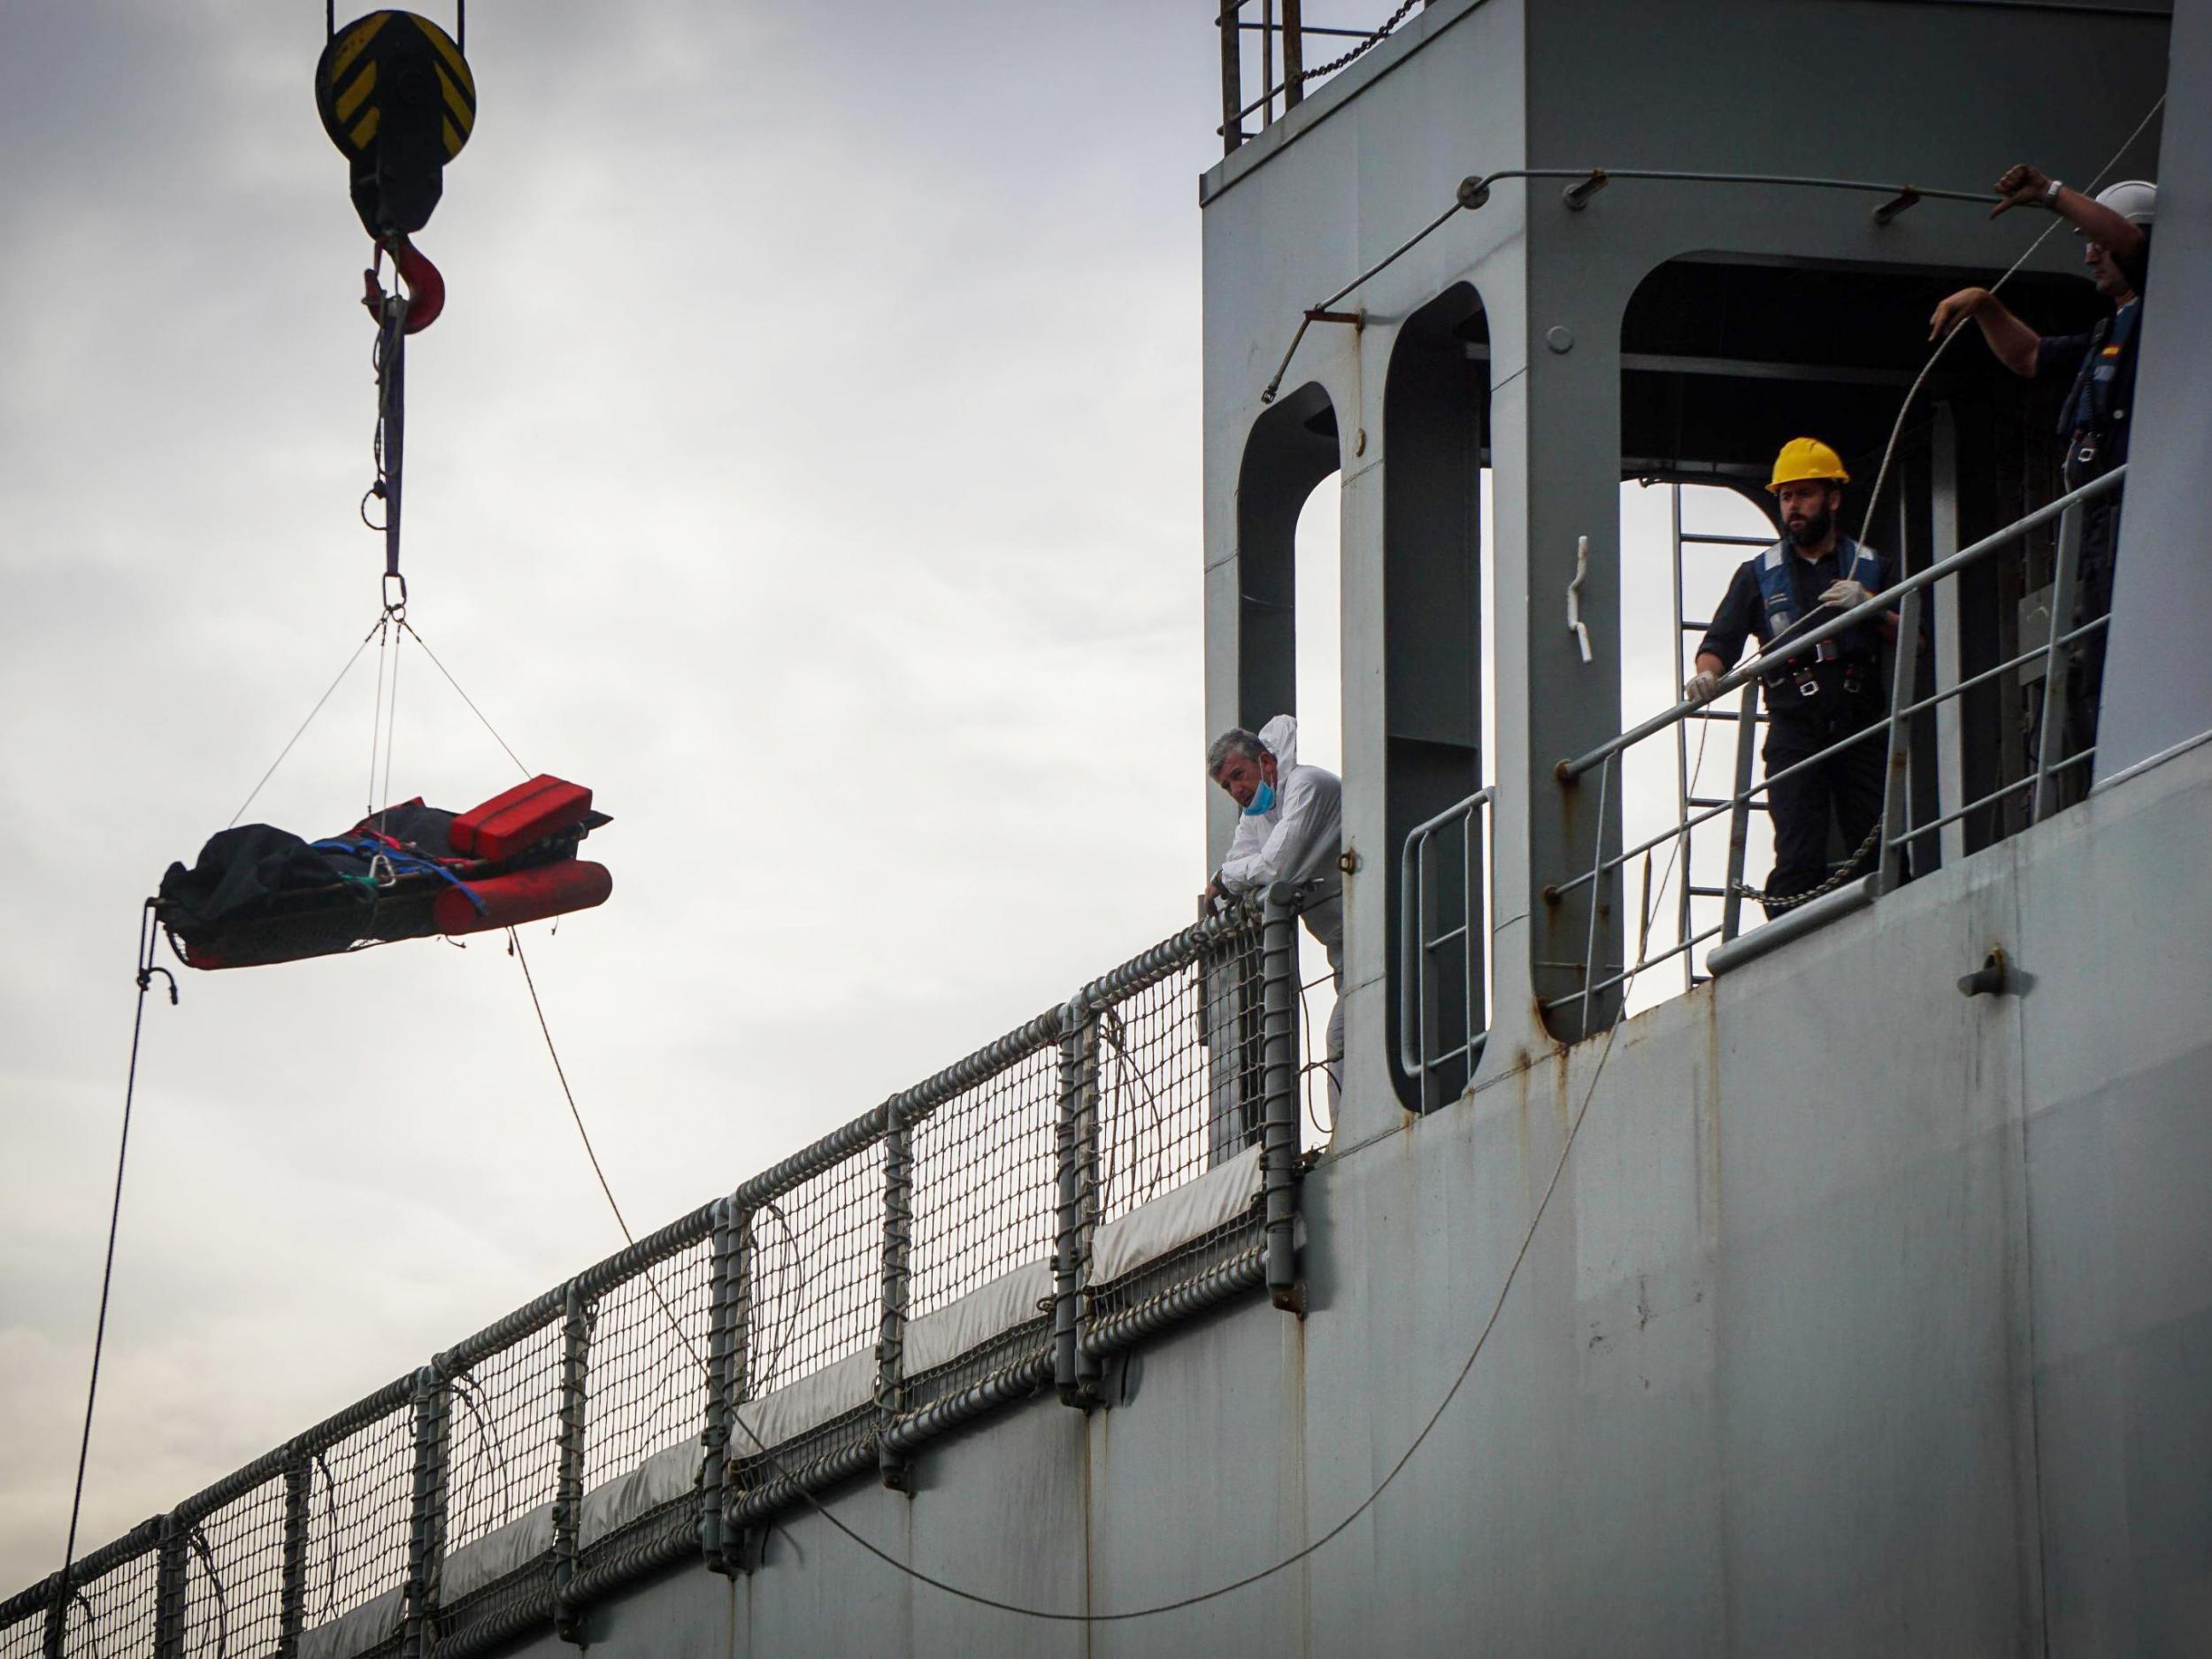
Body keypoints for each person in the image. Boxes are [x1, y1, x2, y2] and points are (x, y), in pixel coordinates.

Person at [1929, 166, 2155, 757]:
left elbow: (2138, 247)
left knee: (2122, 655)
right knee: (2093, 662)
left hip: (2137, 521)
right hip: (2098, 524)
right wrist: (1984, 305)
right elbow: (2028, 356)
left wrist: (2051, 196)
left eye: (2098, 244)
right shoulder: (2108, 333)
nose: (2089, 257)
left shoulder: (2168, 312)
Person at [1684, 438, 1899, 916]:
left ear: (1832, 498)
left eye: (1803, 494)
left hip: (1859, 723)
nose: (1793, 507)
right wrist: (1703, 677)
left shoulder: (1871, 568)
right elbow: (1719, 644)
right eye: (1785, 497)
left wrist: (1872, 605)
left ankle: (1886, 922)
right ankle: (1790, 943)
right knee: (1797, 850)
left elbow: (1917, 638)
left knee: (1877, 841)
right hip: (1795, 728)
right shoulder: (1758, 576)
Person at [1205, 715, 1344, 1110]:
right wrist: (1229, 879)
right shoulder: (1258, 816)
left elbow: (1274, 867)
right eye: (1226, 785)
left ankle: (1346, 1139)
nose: (1236, 790)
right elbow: (1242, 861)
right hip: (1343, 950)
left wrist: (1224, 879)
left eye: (1238, 775)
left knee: (1341, 1038)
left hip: (1374, 934)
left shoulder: (1307, 787)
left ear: (1266, 762)